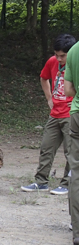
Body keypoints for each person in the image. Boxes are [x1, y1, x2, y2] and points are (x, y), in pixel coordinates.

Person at [22, 34, 77, 196]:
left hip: (71, 114)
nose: (59, 59)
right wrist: (49, 98)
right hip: (55, 113)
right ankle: (41, 181)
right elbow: (43, 78)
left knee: (71, 151)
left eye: (63, 56)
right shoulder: (52, 62)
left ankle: (67, 183)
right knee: (47, 147)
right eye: (56, 54)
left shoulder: (76, 64)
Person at [63, 37, 79, 245]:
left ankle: (77, 232)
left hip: (76, 115)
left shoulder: (74, 50)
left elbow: (68, 91)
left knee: (76, 173)